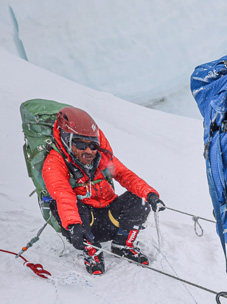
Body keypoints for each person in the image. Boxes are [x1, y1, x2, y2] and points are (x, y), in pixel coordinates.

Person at [42, 106, 165, 274]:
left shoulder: (102, 160)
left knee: (140, 197)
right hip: (83, 225)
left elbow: (124, 175)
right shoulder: (55, 163)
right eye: (80, 144)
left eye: (93, 146)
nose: (88, 151)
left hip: (108, 216)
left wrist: (150, 194)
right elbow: (63, 194)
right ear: (66, 139)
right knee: (61, 204)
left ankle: (123, 244)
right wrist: (73, 225)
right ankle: (91, 250)